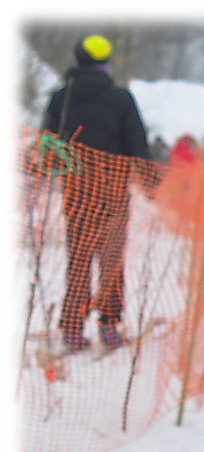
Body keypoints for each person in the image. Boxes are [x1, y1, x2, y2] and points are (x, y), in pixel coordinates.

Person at [41, 34, 151, 352]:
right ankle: (110, 326)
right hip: (113, 191)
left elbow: (49, 141)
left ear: (76, 61)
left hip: (77, 191)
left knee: (78, 260)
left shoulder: (60, 98)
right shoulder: (121, 98)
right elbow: (137, 145)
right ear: (105, 63)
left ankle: (73, 329)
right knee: (112, 260)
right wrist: (150, 182)